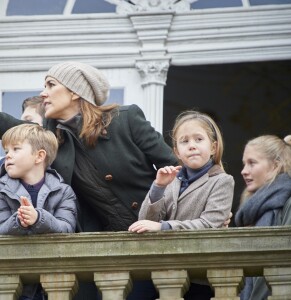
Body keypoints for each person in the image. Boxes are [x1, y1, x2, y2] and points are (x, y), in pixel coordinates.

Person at [0, 61, 178, 300]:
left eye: (51, 85)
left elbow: (178, 169)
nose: (43, 93)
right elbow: (8, 126)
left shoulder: (126, 119)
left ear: (75, 92)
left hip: (152, 239)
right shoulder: (51, 138)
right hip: (95, 250)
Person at [129, 110, 235, 300]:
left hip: (197, 275)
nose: (192, 146)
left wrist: (164, 227)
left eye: (199, 139)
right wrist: (158, 187)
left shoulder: (222, 181)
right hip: (160, 269)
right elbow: (145, 222)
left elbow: (209, 224)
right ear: (177, 151)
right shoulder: (171, 179)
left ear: (213, 147)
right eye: (185, 141)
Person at [0, 123, 77, 300]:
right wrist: (19, 221)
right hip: (11, 280)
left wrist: (38, 218)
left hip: (52, 283)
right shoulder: (1, 190)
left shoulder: (63, 191)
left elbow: (67, 229)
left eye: (16, 149)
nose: (8, 155)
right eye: (6, 150)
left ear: (39, 156)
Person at [235, 134, 291, 300]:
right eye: (244, 164)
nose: (243, 171)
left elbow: (287, 263)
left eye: (252, 163)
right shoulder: (251, 210)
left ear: (275, 166)